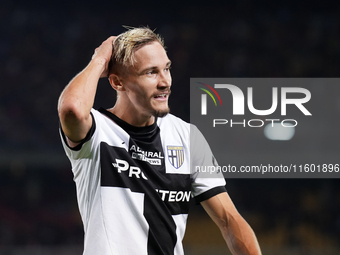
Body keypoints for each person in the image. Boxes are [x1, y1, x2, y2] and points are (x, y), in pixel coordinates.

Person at [58, 27, 261, 255]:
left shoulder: (187, 136)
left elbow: (228, 219)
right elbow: (72, 109)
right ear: (117, 83)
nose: (165, 82)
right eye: (150, 72)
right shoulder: (97, 132)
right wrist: (99, 60)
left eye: (167, 68)